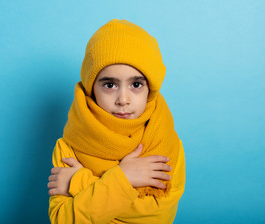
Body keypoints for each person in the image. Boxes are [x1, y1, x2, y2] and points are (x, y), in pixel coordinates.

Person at [47, 19, 185, 224]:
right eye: (110, 84)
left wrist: (80, 182)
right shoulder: (70, 145)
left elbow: (157, 217)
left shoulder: (166, 143)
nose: (123, 99)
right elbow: (63, 219)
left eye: (136, 84)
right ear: (91, 87)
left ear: (151, 89)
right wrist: (125, 178)